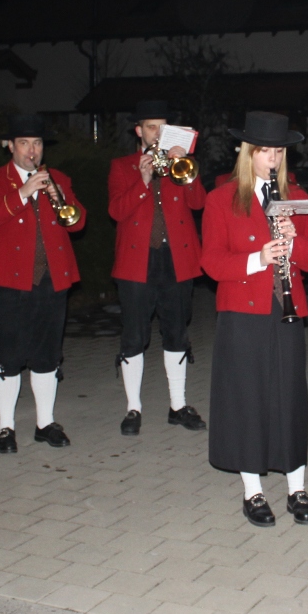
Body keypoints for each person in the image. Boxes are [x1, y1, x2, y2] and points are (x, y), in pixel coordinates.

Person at [201, 111, 308, 528]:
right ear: (247, 152)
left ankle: (296, 486)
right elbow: (211, 262)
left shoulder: (297, 197)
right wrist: (258, 258)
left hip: (287, 309)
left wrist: (295, 239)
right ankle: (252, 489)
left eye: (278, 152)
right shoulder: (222, 199)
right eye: (265, 151)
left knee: (290, 395)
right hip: (242, 310)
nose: (273, 159)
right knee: (247, 398)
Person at [0, 114, 86, 454]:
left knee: (48, 355)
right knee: (8, 356)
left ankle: (44, 423)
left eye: (36, 143)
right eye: (23, 143)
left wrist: (58, 194)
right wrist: (22, 192)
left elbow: (78, 223)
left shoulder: (58, 178)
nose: (31, 150)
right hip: (8, 283)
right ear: (10, 146)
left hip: (51, 280)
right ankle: (6, 427)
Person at [108, 100, 207, 436]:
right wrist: (143, 179)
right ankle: (133, 407)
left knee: (177, 332)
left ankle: (178, 405)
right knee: (135, 335)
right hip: (137, 262)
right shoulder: (122, 166)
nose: (157, 133)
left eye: (163, 128)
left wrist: (185, 164)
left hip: (177, 259)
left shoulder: (180, 162)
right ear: (139, 131)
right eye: (151, 127)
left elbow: (199, 203)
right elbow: (116, 211)